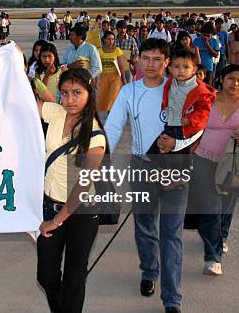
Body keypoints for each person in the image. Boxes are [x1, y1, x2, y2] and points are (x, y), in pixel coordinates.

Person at [105, 39, 191, 313]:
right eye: (146, 58)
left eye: (157, 59)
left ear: (167, 62)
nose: (151, 64)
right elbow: (114, 127)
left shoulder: (181, 90)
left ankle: (172, 299)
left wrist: (176, 147)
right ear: (138, 61)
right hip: (141, 167)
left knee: (171, 233)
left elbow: (199, 126)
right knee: (144, 226)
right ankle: (149, 271)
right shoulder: (129, 91)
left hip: (175, 169)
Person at [36, 68, 106, 313]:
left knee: (74, 280)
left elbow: (83, 185)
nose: (69, 100)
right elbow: (20, 103)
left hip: (81, 213)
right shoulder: (55, 112)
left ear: (89, 94)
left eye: (77, 93)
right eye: (64, 93)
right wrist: (16, 70)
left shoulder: (95, 136)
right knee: (47, 276)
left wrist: (56, 220)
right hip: (48, 204)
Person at [191, 64, 239, 276]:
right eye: (231, 78)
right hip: (204, 158)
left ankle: (221, 236)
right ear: (221, 79)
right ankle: (213, 258)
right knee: (211, 204)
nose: (235, 83)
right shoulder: (207, 99)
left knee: (228, 204)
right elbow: (194, 125)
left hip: (235, 163)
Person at [96, 31, 125, 113]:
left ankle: (112, 115)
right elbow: (97, 66)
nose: (111, 41)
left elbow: (121, 66)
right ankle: (109, 113)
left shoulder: (117, 50)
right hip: (104, 77)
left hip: (115, 77)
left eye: (112, 39)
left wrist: (123, 79)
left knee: (113, 97)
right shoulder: (99, 51)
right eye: (108, 39)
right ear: (104, 39)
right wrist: (95, 80)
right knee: (104, 98)